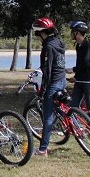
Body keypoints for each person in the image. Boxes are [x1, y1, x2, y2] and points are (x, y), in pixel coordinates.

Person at [32, 17, 66, 157]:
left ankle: (43, 149)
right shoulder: (58, 42)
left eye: (37, 34)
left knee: (47, 116)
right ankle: (70, 125)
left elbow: (47, 69)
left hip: (53, 83)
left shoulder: (48, 46)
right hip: (62, 79)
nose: (38, 38)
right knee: (61, 108)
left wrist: (43, 88)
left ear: (42, 33)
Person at [68, 20, 90, 125]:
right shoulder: (78, 46)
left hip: (88, 81)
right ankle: (76, 127)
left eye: (73, 31)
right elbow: (80, 62)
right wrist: (75, 76)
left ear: (78, 32)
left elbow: (86, 63)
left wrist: (73, 69)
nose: (72, 34)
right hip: (79, 80)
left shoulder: (88, 46)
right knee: (73, 105)